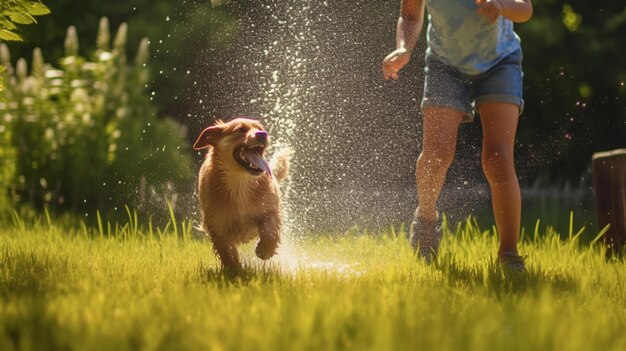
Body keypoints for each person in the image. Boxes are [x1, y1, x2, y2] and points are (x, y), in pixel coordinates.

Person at [382, 0, 533, 270]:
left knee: (497, 159)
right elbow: (410, 15)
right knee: (436, 156)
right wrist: (404, 48)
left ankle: (509, 253)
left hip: (501, 61)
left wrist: (501, 5)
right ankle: (427, 219)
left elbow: (525, 9)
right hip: (445, 65)